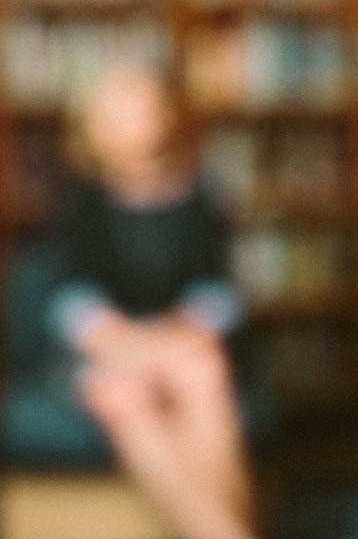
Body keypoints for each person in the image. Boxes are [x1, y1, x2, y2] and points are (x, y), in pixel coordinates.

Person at [45, 61, 260, 539]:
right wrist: (126, 341)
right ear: (94, 130)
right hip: (114, 349)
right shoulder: (82, 201)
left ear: (164, 115)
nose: (134, 126)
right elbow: (72, 300)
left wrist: (176, 335)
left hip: (184, 341)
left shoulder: (201, 193)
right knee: (124, 395)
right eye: (118, 116)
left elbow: (220, 292)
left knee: (203, 372)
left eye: (143, 110)